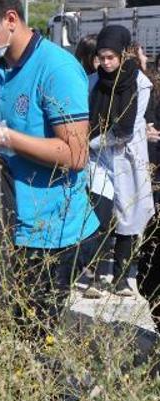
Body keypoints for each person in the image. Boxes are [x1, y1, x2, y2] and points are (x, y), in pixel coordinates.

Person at [0, 0, 100, 337]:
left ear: (10, 19)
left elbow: (76, 154)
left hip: (55, 233)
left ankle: (73, 390)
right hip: (15, 225)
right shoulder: (1, 71)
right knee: (12, 334)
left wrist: (5, 136)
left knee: (35, 340)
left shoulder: (56, 68)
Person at [84, 26, 155, 298]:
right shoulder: (92, 83)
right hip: (99, 159)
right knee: (99, 214)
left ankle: (122, 277)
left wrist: (95, 140)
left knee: (128, 218)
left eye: (111, 57)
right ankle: (94, 273)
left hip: (126, 156)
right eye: (101, 57)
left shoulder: (140, 83)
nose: (106, 63)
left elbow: (127, 128)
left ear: (123, 54)